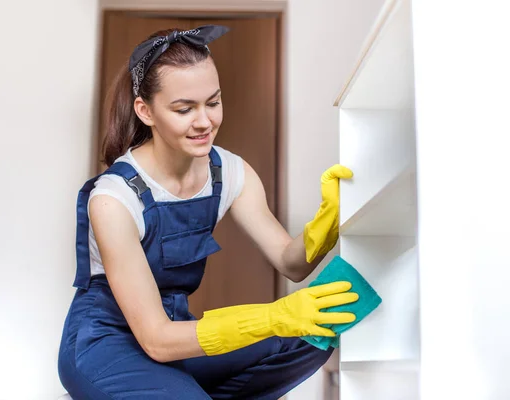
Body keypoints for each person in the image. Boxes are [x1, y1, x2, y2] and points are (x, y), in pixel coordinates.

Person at [57, 25, 358, 399]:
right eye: (184, 109)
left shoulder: (228, 171)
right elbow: (155, 340)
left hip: (172, 331)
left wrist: (328, 219)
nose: (204, 122)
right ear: (145, 111)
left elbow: (291, 262)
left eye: (213, 103)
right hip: (108, 345)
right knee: (276, 327)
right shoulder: (114, 198)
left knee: (309, 337)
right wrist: (272, 316)